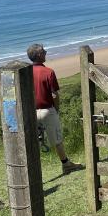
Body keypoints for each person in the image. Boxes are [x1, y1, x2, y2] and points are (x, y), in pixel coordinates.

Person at [27, 43, 81, 174]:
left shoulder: (26, 72)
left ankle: (31, 169)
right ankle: (66, 164)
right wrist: (56, 109)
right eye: (43, 51)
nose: (46, 52)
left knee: (33, 143)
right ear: (39, 55)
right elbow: (54, 94)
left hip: (31, 112)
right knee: (57, 140)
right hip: (47, 110)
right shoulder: (48, 72)